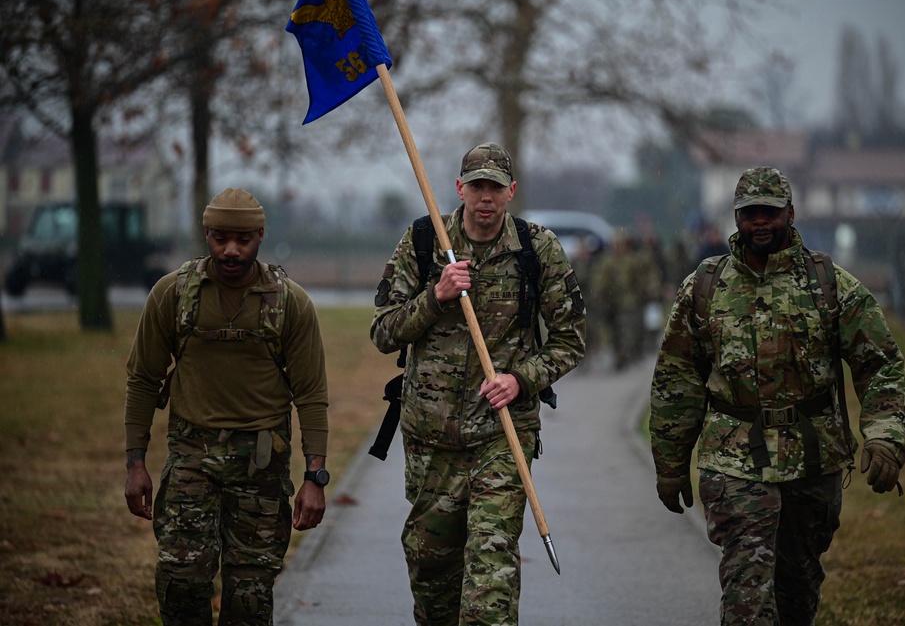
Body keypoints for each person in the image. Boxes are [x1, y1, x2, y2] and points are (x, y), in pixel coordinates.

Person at [649, 166, 905, 625]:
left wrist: (887, 436)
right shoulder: (706, 288)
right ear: (736, 218)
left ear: (790, 213)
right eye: (751, 213)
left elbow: (881, 364)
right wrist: (670, 466)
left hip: (813, 461)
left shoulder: (830, 285)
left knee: (797, 591)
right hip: (733, 462)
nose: (761, 223)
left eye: (770, 213)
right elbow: (678, 378)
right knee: (747, 591)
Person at [371, 143, 586, 626]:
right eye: (476, 186)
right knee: (433, 579)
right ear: (458, 189)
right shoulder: (424, 240)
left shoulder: (537, 249)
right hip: (431, 439)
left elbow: (571, 341)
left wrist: (521, 380)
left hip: (502, 435)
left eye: (495, 187)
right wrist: (437, 295)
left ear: (511, 192)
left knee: (490, 579)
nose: (485, 198)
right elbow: (383, 332)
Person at [124, 188, 330, 626]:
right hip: (190, 462)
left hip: (261, 466)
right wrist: (135, 462)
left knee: (250, 596)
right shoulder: (173, 295)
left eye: (243, 240)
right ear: (205, 234)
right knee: (181, 582)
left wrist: (315, 477)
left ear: (260, 236)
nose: (231, 251)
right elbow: (143, 379)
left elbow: (311, 393)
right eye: (219, 239)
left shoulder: (290, 302)